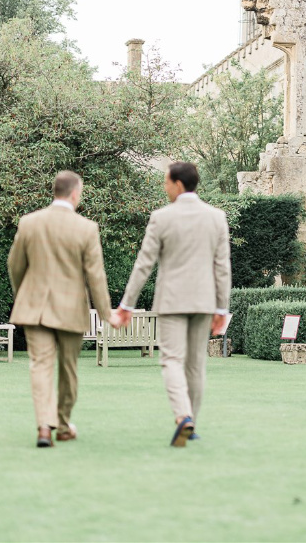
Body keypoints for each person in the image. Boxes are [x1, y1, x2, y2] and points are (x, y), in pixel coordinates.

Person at [109, 161, 231, 447]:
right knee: (196, 364)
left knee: (172, 360)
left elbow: (144, 265)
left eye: (166, 182)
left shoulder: (161, 217)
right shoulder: (217, 217)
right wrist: (222, 308)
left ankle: (183, 416)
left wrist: (127, 304)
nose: (164, 187)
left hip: (172, 301)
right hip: (204, 302)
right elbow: (222, 267)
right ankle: (193, 424)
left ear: (178, 184)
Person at [7, 170, 114, 448]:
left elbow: (15, 266)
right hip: (70, 311)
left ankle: (45, 426)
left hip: (35, 309)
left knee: (40, 367)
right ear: (75, 193)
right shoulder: (86, 228)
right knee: (68, 370)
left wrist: (24, 295)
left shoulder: (29, 222)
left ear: (54, 191)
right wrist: (106, 314)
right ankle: (63, 425)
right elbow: (96, 276)